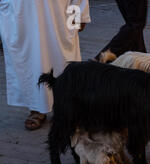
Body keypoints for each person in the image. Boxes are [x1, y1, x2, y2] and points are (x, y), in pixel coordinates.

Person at [0, 0, 90, 130]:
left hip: (58, 19)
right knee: (32, 62)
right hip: (24, 18)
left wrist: (78, 16)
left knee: (64, 61)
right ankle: (37, 108)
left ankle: (69, 108)